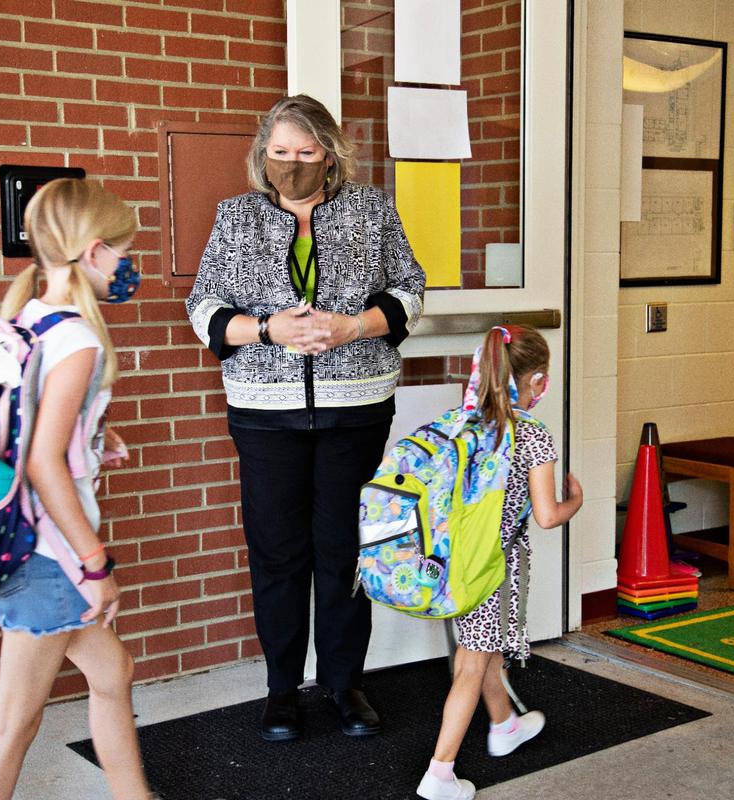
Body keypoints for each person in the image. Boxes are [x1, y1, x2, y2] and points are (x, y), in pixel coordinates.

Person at [186, 94, 426, 741]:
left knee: (345, 552)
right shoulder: (234, 218)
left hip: (357, 408)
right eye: (280, 152)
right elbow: (203, 305)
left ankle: (346, 685)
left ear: (330, 153)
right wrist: (266, 328)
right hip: (265, 416)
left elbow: (410, 289)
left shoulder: (372, 210)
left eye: (306, 152)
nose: (292, 163)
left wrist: (355, 325)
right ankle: (282, 692)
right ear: (264, 155)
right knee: (278, 554)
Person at [0, 178, 151, 800]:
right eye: (123, 251)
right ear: (95, 252)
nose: (127, 264)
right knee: (12, 723)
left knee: (113, 670)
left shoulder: (27, 318)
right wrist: (95, 562)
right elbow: (44, 462)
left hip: (25, 537)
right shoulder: (78, 338)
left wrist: (98, 439)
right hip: (46, 553)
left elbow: (41, 425)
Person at [416, 325, 583, 800]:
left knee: (477, 649)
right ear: (536, 381)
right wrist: (576, 499)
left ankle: (504, 725)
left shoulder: (460, 422)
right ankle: (439, 774)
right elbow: (547, 516)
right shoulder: (533, 435)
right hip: (494, 567)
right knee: (471, 663)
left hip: (452, 561)